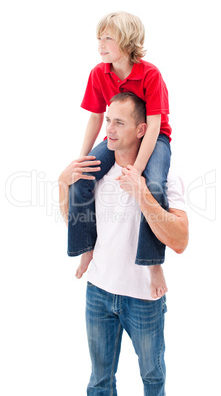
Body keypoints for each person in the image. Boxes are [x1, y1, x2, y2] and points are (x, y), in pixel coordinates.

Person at [59, 93, 189, 394]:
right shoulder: (97, 173)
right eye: (107, 120)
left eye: (119, 122)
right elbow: (75, 224)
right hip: (98, 292)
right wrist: (62, 185)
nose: (109, 129)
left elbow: (181, 241)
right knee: (99, 381)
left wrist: (142, 194)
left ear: (141, 130)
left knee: (153, 379)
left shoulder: (164, 176)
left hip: (143, 298)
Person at [68, 11, 172, 298]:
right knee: (82, 177)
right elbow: (95, 118)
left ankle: (153, 264)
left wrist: (137, 169)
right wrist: (83, 158)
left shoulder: (150, 74)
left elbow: (153, 126)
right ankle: (86, 248)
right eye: (98, 38)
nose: (100, 44)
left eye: (108, 38)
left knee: (152, 187)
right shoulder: (98, 74)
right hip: (117, 138)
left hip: (154, 137)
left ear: (127, 42)